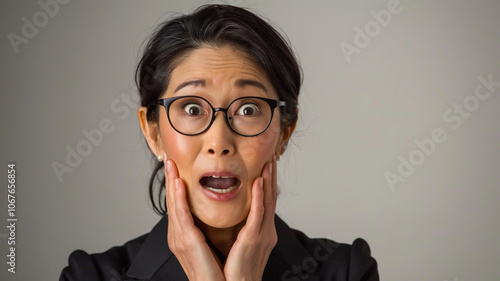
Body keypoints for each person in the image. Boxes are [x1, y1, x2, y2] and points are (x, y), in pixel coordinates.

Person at [60, 4, 379, 280]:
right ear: (153, 133)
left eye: (248, 109)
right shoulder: (89, 276)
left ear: (284, 132)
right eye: (192, 108)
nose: (219, 142)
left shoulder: (347, 271)